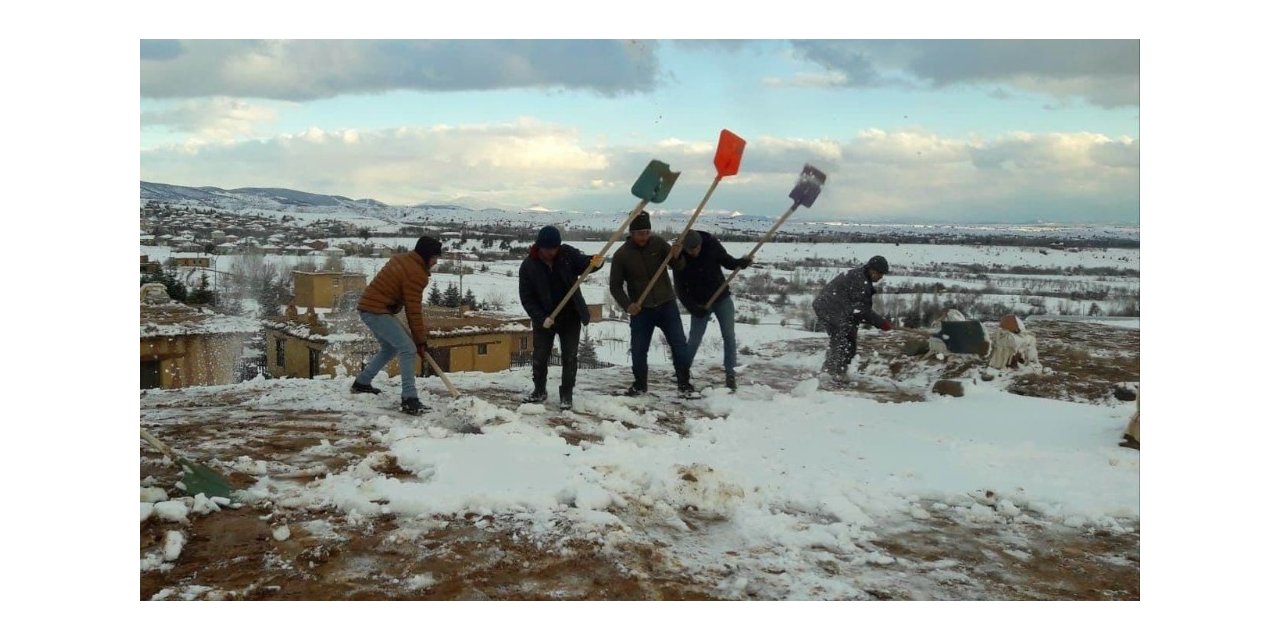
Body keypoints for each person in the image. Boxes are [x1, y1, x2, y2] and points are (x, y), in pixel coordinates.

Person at [351, 236, 442, 415]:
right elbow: (413, 309)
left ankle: (362, 382)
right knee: (408, 349)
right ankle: (409, 398)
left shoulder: (403, 259)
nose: (436, 261)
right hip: (376, 310)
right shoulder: (416, 273)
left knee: (390, 348)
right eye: (434, 257)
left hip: (371, 308)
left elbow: (390, 288)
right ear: (425, 255)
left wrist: (391, 302)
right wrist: (420, 341)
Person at [609, 211, 695, 397]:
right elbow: (615, 286)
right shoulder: (622, 255)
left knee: (679, 345)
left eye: (647, 232)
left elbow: (678, 267)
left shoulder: (659, 244)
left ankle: (684, 384)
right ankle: (640, 385)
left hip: (666, 304)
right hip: (641, 311)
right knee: (639, 350)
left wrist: (677, 256)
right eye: (640, 233)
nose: (644, 236)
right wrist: (628, 305)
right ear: (631, 233)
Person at [518, 225, 605, 409]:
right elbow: (527, 298)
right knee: (540, 356)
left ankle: (567, 394)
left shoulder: (566, 255)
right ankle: (539, 390)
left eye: (554, 248)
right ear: (539, 246)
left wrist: (596, 261)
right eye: (547, 249)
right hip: (545, 319)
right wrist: (542, 318)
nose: (551, 253)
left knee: (570, 357)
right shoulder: (528, 266)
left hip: (570, 316)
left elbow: (584, 264)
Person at [672, 229, 752, 390]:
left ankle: (730, 374)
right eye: (690, 250)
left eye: (696, 248)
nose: (694, 252)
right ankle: (683, 372)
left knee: (729, 336)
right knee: (695, 338)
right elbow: (680, 290)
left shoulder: (711, 244)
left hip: (721, 297)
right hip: (699, 303)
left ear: (701, 244)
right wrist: (694, 308)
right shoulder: (678, 258)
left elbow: (727, 261)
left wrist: (740, 263)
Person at [811, 255, 893, 382]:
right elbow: (861, 310)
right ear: (872, 270)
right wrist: (881, 323)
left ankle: (836, 372)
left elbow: (858, 310)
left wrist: (878, 322)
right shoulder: (860, 281)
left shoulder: (862, 278)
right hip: (829, 308)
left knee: (848, 341)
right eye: (880, 273)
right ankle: (830, 374)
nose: (881, 276)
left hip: (837, 309)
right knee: (842, 340)